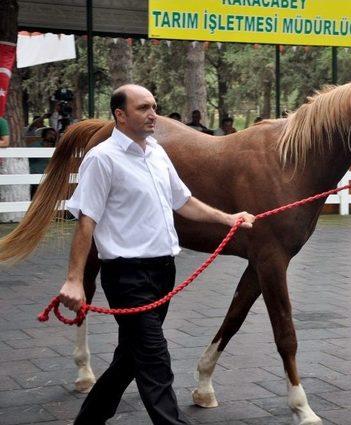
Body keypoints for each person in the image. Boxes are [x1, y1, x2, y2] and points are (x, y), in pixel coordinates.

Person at [58, 84, 256, 425]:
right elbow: (86, 223)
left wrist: (228, 218)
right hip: (126, 276)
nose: (153, 114)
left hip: (163, 271)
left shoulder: (156, 153)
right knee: (155, 360)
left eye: (154, 106)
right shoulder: (102, 159)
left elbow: (184, 202)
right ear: (120, 115)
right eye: (143, 108)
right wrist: (75, 280)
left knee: (129, 359)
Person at [29, 127, 57, 198]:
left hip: (50, 176)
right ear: (44, 135)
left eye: (54, 134)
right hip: (36, 175)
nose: (52, 136)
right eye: (50, 134)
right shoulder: (35, 146)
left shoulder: (55, 147)